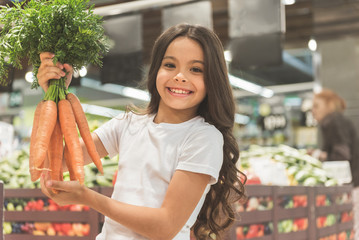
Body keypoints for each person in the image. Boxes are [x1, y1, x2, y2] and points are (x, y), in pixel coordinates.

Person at [37, 23, 247, 240]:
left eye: (196, 69)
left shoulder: (203, 137)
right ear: (156, 69)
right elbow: (53, 161)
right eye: (170, 65)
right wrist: (55, 95)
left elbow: (165, 227)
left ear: (212, 80)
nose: (180, 76)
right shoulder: (128, 124)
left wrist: (88, 198)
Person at [312, 88, 359, 239]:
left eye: (316, 106)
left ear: (330, 105)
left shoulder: (333, 121)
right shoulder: (337, 121)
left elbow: (342, 155)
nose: (313, 111)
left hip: (352, 187)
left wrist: (318, 155)